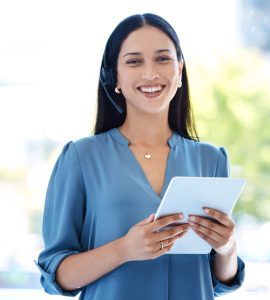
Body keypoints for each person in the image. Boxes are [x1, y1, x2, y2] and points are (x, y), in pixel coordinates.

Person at [35, 13, 245, 300]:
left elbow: (219, 279)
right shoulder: (81, 158)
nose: (150, 73)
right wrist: (124, 249)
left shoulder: (211, 160)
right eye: (134, 61)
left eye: (163, 59)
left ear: (179, 70)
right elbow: (56, 275)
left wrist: (227, 246)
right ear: (115, 76)